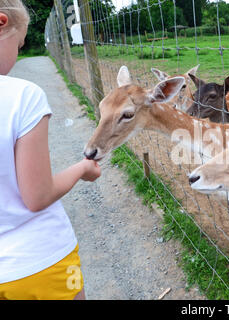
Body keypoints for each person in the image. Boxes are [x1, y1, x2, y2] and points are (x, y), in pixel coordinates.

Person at [0, 0, 101, 300]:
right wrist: (82, 168)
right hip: (41, 263)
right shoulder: (23, 96)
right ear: (1, 23)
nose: (17, 56)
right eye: (19, 46)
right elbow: (37, 196)